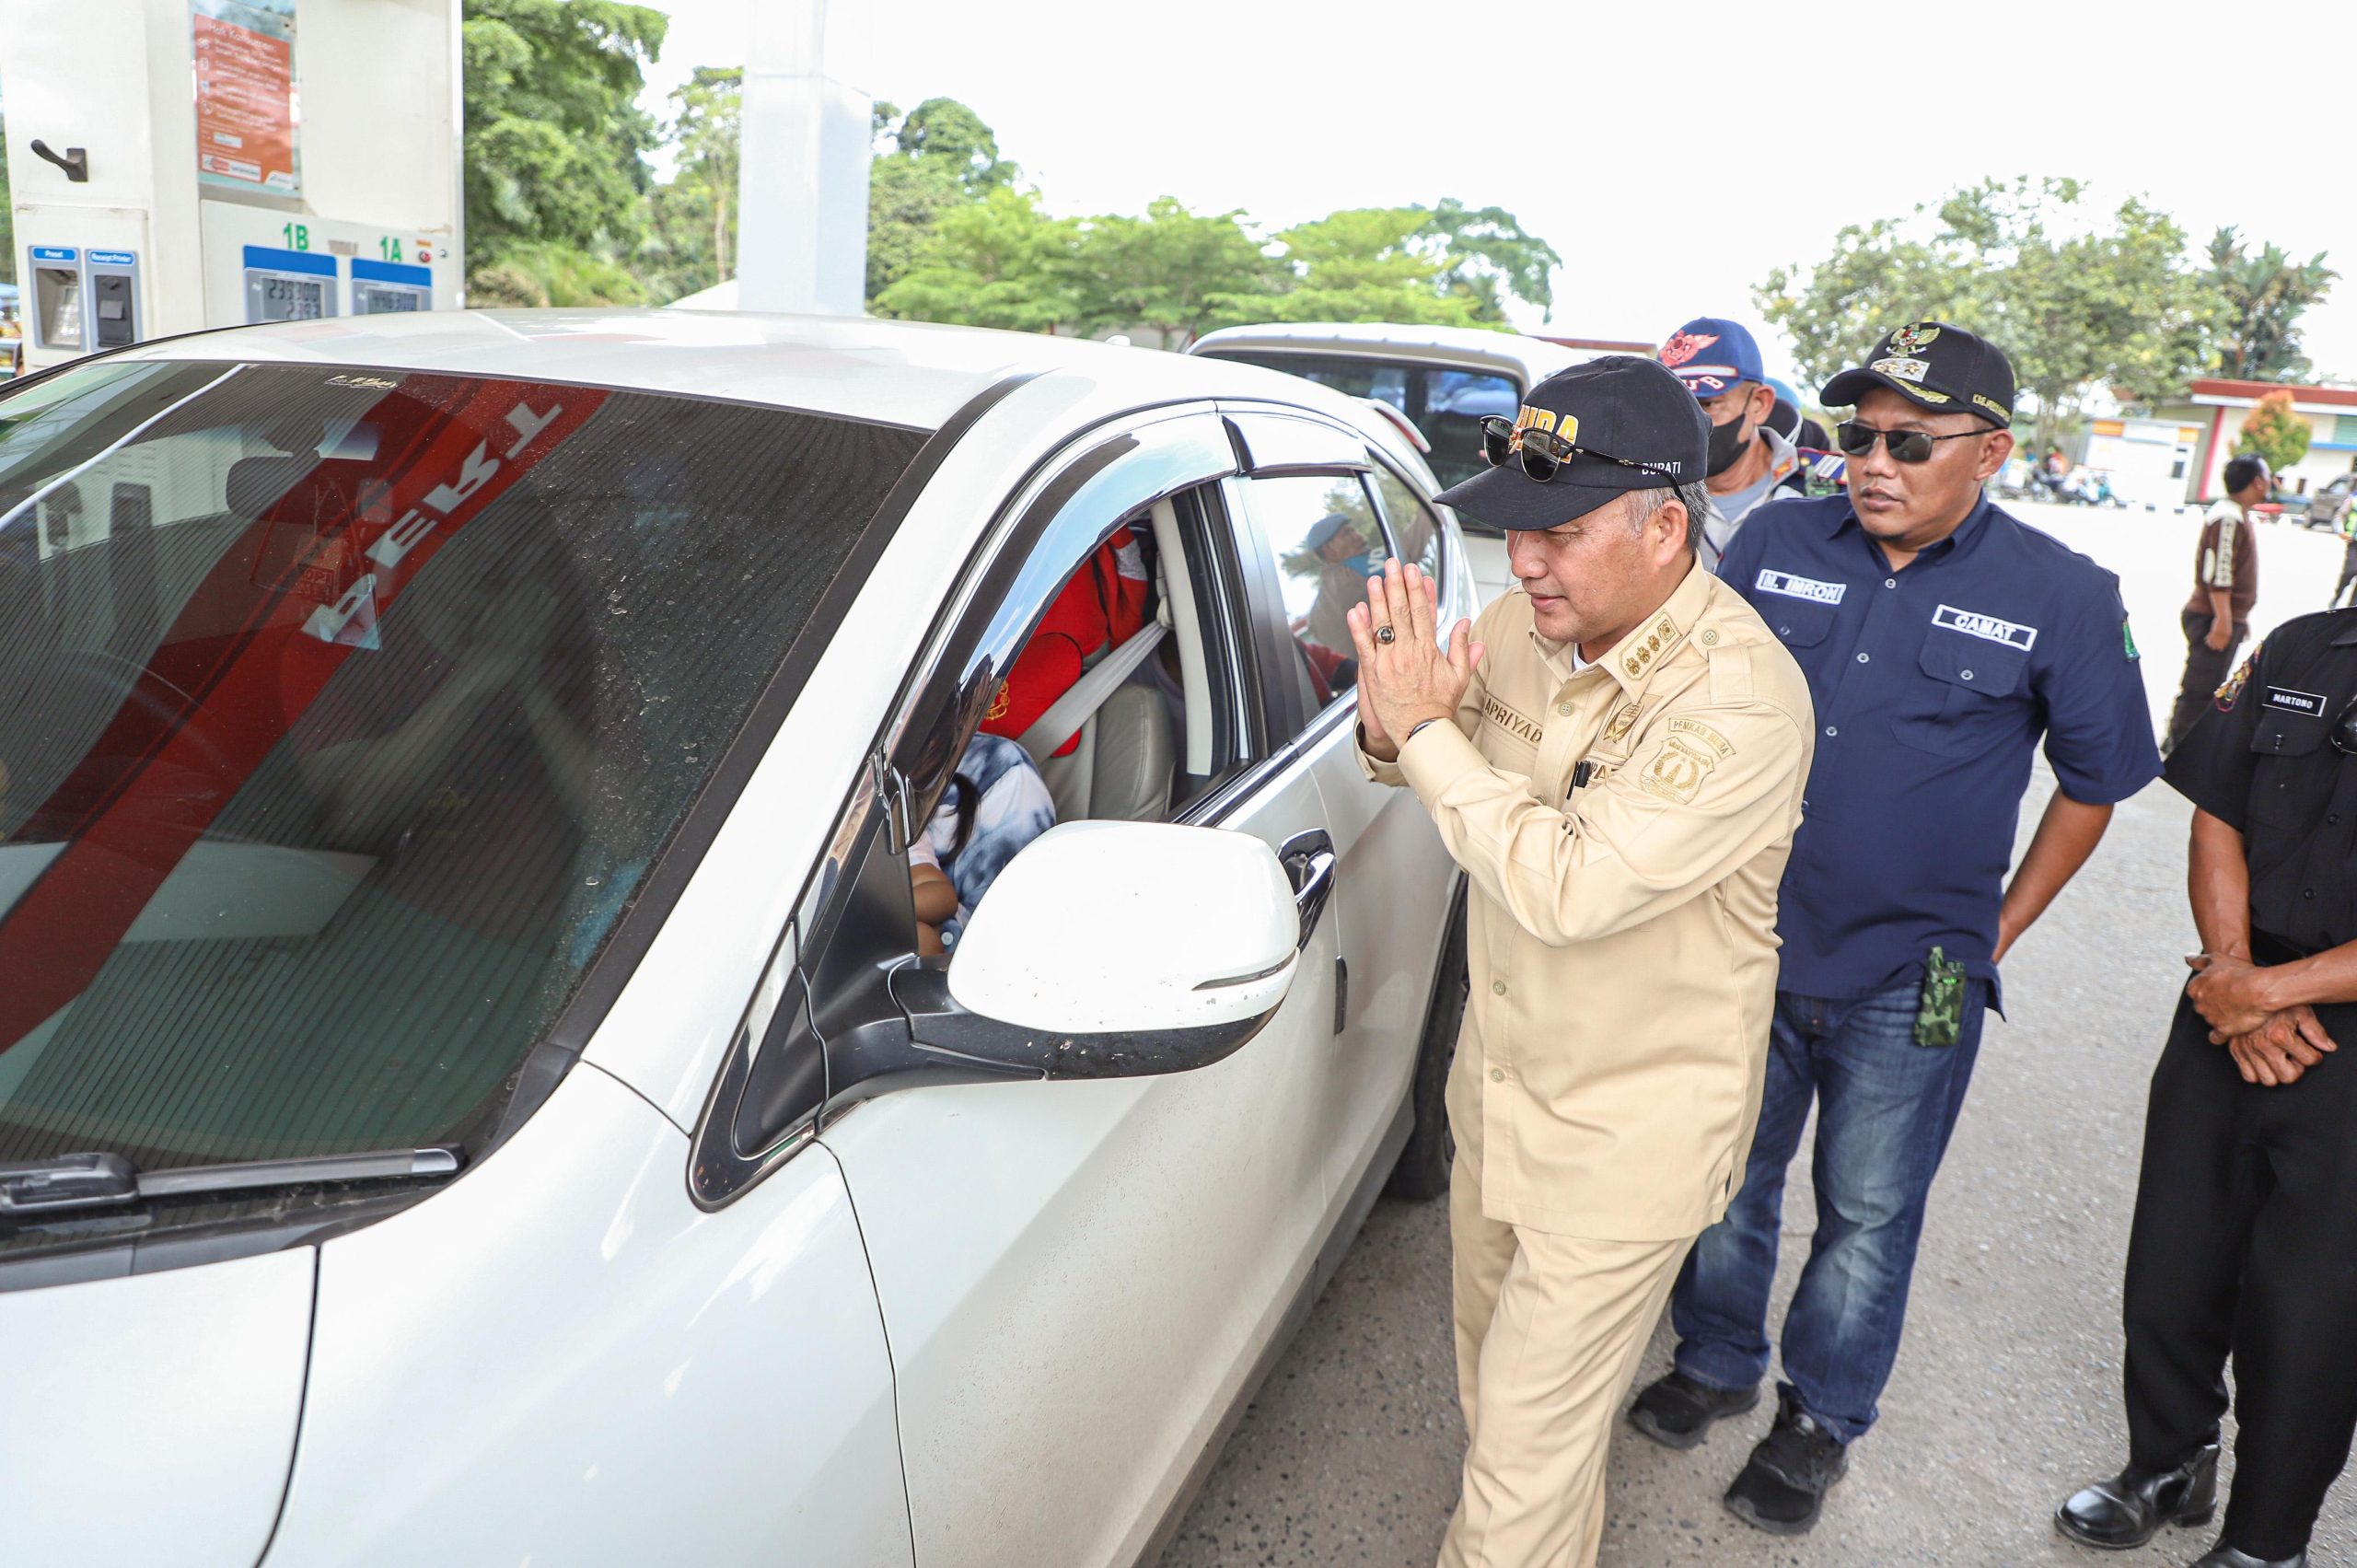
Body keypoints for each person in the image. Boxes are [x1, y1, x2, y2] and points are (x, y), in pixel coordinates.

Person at [1630, 321, 2163, 1533]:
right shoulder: (1776, 540)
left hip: (1915, 973)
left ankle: (1818, 1418)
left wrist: (1997, 930)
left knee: (1868, 1212)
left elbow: (2096, 783)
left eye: (1908, 441)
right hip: (1746, 942)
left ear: (1991, 450)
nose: (1873, 462)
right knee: (1723, 1174)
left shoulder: (2063, 594)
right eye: (1857, 435)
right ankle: (1714, 1356)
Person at [1345, 355, 1814, 1568]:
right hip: (1499, 1093)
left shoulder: (1739, 700)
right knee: (1506, 1421)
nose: (1524, 562)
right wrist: (1391, 726)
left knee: (1516, 1474)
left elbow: (1568, 885)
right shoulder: (1527, 624)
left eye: (1558, 533)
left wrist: (1426, 732)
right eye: (1513, 530)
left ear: (1665, 529)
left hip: (1623, 1137)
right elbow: (1434, 754)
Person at [2055, 613, 2357, 1568]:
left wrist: (2269, 992)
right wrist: (2234, 975)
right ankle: (2169, 1462)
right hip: (2231, 994)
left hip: (2332, 1029)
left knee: (2310, 1310)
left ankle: (2267, 1542)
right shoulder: (2300, 647)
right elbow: (2217, 810)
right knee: (2173, 1259)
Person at [1656, 316, 1808, 571]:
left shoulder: (1823, 487)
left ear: (1759, 404)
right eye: (1671, 407)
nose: (1687, 422)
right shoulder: (1644, 491)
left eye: (1706, 405)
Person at [908, 729, 1056, 954]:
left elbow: (942, 896)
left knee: (921, 938)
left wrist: (885, 913)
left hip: (959, 953)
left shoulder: (1002, 771)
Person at [2165, 456, 2269, 752]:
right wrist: (2223, 620)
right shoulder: (2228, 517)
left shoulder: (2234, 514)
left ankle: (2180, 745)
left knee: (2206, 684)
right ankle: (2180, 750)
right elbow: (2219, 572)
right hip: (2212, 616)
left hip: (2222, 616)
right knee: (2200, 688)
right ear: (2257, 482)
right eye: (2267, 477)